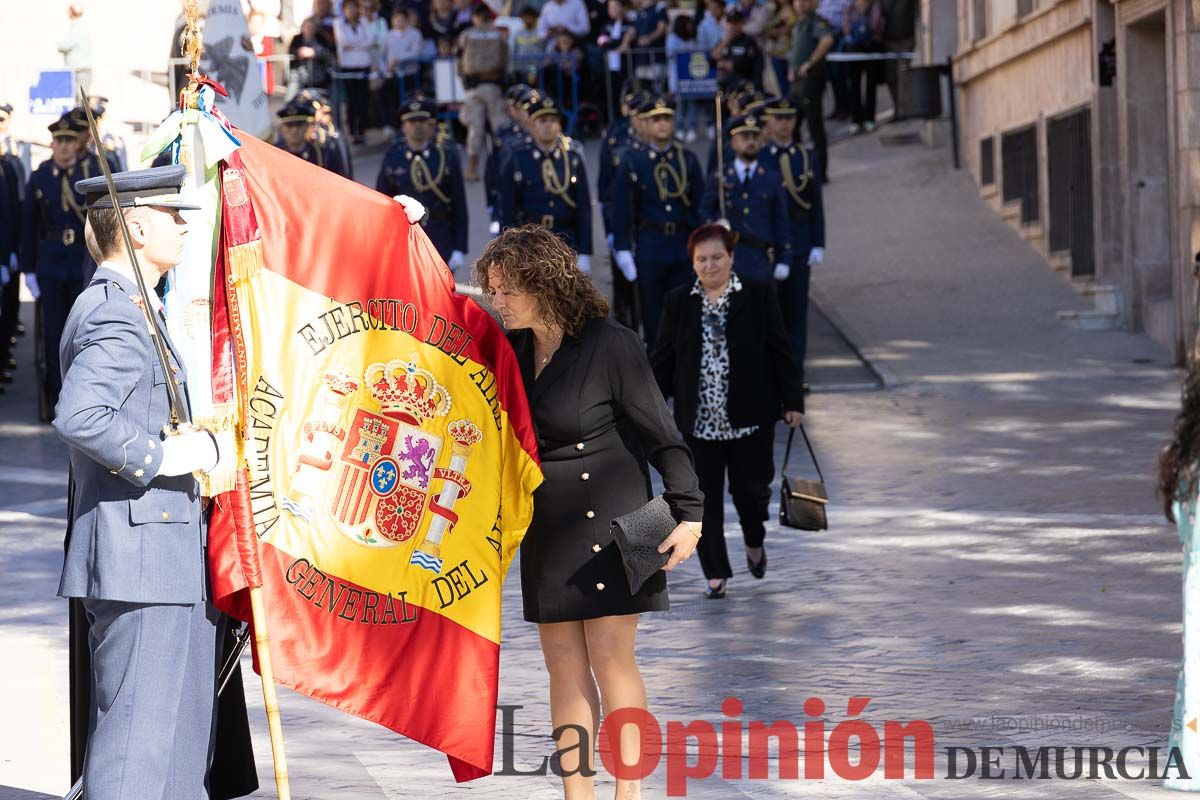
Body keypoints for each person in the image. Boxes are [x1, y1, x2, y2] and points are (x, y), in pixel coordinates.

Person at [476, 224, 704, 798]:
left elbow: (663, 434)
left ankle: (628, 792)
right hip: (548, 525)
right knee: (562, 664)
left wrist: (690, 515)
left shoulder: (611, 343)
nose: (496, 302)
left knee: (611, 657)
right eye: (493, 291)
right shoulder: (511, 348)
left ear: (542, 284)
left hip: (616, 521)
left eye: (506, 291)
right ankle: (578, 793)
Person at [56, 163, 235, 800]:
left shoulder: (134, 306)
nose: (185, 226)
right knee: (137, 749)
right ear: (133, 225)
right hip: (141, 558)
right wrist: (168, 458)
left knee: (178, 748)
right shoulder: (116, 314)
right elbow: (79, 416)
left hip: (162, 553)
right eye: (172, 215)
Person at [651, 223, 803, 598]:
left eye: (717, 257)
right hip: (699, 425)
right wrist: (651, 408)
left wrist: (793, 402)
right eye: (702, 259)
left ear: (731, 257)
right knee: (704, 502)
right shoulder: (678, 301)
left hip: (749, 420)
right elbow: (663, 360)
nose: (710, 265)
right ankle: (715, 573)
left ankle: (754, 540)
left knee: (752, 493)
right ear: (693, 263)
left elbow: (781, 351)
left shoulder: (758, 295)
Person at [20, 113, 99, 419]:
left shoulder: (89, 171)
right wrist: (28, 269)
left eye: (69, 140)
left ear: (78, 143)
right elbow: (29, 226)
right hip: (51, 264)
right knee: (53, 335)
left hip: (83, 261)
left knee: (84, 331)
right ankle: (56, 399)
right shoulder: (40, 177)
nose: (64, 147)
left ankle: (84, 399)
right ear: (52, 144)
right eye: (59, 141)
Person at [610, 94, 704, 349]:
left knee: (685, 320)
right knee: (654, 321)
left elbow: (700, 208)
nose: (662, 124)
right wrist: (623, 248)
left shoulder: (687, 160)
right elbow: (623, 210)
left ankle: (683, 384)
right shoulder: (633, 161)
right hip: (650, 246)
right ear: (647, 125)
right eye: (656, 119)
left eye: (667, 119)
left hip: (682, 247)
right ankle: (658, 384)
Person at [762, 96, 824, 384]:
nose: (784, 124)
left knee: (797, 314)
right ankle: (772, 374)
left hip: (799, 244)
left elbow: (816, 203)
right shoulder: (761, 158)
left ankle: (795, 377)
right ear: (769, 122)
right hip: (769, 246)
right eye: (779, 118)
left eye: (789, 118)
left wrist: (818, 242)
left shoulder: (805, 156)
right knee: (771, 317)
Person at [497, 95, 593, 270]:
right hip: (529, 241)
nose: (548, 125)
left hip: (565, 239)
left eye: (553, 120)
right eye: (542, 121)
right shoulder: (518, 158)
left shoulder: (572, 159)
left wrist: (586, 251)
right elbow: (508, 208)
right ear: (532, 125)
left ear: (560, 126)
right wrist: (505, 249)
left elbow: (584, 208)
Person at [376, 96, 469, 269]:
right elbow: (381, 201)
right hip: (405, 237)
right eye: (412, 121)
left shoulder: (446, 155)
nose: (417, 126)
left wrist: (459, 247)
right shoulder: (393, 156)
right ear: (403, 126)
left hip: (439, 235)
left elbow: (459, 204)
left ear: (432, 125)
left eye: (422, 120)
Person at [700, 113, 791, 282]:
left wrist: (784, 258)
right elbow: (704, 210)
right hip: (729, 257)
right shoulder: (721, 176)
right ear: (734, 143)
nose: (751, 142)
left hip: (761, 258)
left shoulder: (772, 178)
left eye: (755, 136)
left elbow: (781, 221)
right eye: (745, 137)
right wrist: (714, 224)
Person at [458, 4, 510, 181]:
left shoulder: (466, 35)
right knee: (500, 127)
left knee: (475, 128)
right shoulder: (498, 35)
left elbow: (458, 59)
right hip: (494, 84)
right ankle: (505, 165)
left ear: (475, 17)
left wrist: (464, 82)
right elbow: (506, 60)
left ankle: (472, 168)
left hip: (474, 86)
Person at [788, 0, 835, 183]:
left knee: (815, 126)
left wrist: (810, 62)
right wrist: (792, 67)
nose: (800, 4)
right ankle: (798, 167)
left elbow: (827, 40)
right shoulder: (799, 23)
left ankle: (820, 172)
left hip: (810, 81)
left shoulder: (817, 22)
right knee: (791, 123)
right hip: (797, 82)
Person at [334, 0, 375, 144]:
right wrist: (360, 44)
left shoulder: (364, 22)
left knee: (363, 99)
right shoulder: (339, 23)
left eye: (353, 7)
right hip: (348, 67)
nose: (351, 11)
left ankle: (362, 130)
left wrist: (355, 45)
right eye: (348, 8)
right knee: (351, 101)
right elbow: (344, 41)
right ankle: (352, 131)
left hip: (363, 65)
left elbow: (370, 40)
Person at [840, 0, 883, 134]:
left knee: (871, 85)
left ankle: (870, 118)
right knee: (854, 84)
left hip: (871, 47)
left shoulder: (875, 5)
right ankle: (856, 120)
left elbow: (875, 26)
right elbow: (846, 28)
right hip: (854, 49)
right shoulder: (850, 8)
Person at [273, 98, 348, 176]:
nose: (294, 130)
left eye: (299, 125)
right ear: (281, 128)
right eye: (289, 125)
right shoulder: (273, 154)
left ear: (307, 126)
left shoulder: (323, 154)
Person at [711, 8, 761, 87]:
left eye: (735, 23)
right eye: (730, 22)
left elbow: (742, 66)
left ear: (742, 23)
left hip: (743, 85)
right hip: (724, 84)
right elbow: (712, 60)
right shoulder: (723, 41)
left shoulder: (748, 41)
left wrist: (721, 64)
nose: (732, 26)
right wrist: (724, 43)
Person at [288, 16, 336, 94]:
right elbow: (292, 53)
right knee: (292, 91)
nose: (309, 29)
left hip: (319, 75)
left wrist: (314, 52)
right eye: (307, 27)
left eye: (312, 27)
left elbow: (328, 53)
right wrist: (300, 52)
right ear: (302, 28)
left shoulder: (321, 39)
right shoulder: (297, 39)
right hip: (300, 74)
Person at [57, 3, 93, 92]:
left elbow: (66, 45)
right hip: (79, 71)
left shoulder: (77, 26)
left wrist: (59, 46)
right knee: (78, 100)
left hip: (81, 71)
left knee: (81, 100)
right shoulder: (80, 25)